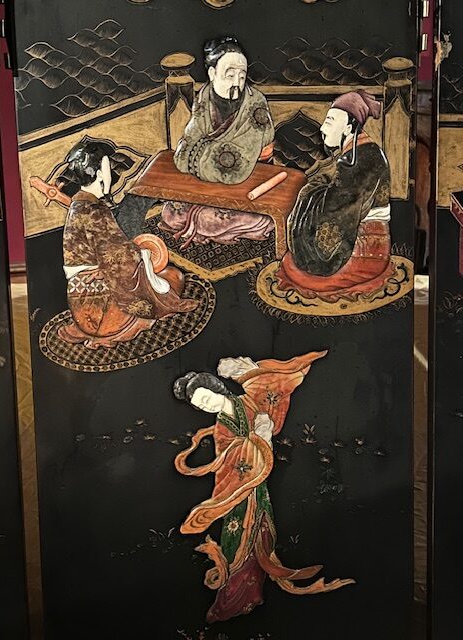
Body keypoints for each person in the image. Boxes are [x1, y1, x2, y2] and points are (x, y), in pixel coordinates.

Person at [173, 353, 354, 624]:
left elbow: (271, 395)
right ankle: (231, 598)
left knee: (262, 536)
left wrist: (262, 423)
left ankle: (252, 595)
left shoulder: (249, 401)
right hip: (239, 489)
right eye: (200, 405)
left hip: (258, 487)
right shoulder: (222, 427)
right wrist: (257, 440)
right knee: (235, 539)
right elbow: (229, 462)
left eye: (205, 397)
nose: (206, 405)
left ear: (216, 388)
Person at [59, 141, 198, 349]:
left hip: (82, 299)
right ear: (100, 174)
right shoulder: (94, 211)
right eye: (108, 168)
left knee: (133, 204)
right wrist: (144, 255)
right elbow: (118, 259)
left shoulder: (81, 205)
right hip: (100, 306)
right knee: (174, 278)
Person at [276, 90, 395, 302]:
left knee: (294, 268)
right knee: (290, 262)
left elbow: (335, 214)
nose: (322, 128)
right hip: (366, 235)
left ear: (348, 127)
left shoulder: (360, 160)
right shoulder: (361, 150)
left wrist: (310, 191)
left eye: (330, 121)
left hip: (366, 247)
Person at [159, 36, 275, 247]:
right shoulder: (205, 95)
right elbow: (184, 151)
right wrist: (210, 154)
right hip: (209, 184)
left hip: (250, 182)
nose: (237, 82)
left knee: (218, 219)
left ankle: (208, 226)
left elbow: (236, 167)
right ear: (212, 74)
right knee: (170, 213)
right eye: (230, 75)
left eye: (242, 76)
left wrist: (201, 153)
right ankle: (210, 226)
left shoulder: (255, 102)